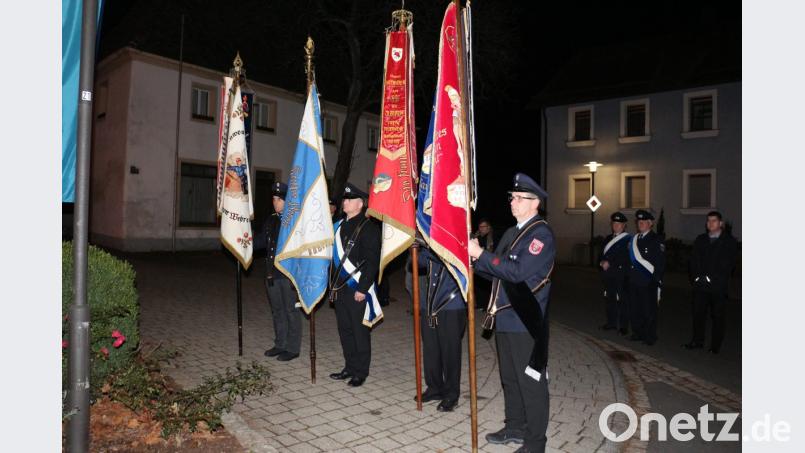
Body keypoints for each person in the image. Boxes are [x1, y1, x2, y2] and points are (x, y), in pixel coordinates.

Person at [469, 173, 555, 453]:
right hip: (504, 315)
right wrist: (474, 257)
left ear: (535, 204)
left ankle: (535, 444)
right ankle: (515, 427)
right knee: (510, 378)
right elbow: (494, 269)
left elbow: (516, 272)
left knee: (531, 382)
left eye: (520, 198)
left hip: (525, 319)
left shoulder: (541, 234)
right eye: (512, 197)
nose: (513, 202)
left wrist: (481, 255)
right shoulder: (511, 232)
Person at [328, 183, 381, 387]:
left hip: (356, 288)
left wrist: (362, 288)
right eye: (345, 199)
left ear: (360, 204)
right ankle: (349, 367)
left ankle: (360, 371)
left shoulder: (368, 228)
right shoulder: (339, 225)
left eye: (349, 199)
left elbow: (372, 261)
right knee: (345, 330)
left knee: (359, 332)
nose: (345, 202)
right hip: (340, 287)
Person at [412, 241, 466, 412]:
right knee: (431, 349)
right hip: (431, 303)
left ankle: (451, 394)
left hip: (451, 304)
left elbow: (448, 257)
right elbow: (415, 264)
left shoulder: (460, 236)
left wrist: (429, 247)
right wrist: (416, 248)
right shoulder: (432, 241)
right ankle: (435, 387)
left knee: (450, 352)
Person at [253, 182, 301, 361]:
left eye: (279, 199)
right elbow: (261, 242)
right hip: (271, 274)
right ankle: (280, 344)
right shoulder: (271, 219)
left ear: (287, 201)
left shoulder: (295, 222)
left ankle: (293, 348)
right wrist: (243, 242)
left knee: (291, 311)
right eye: (274, 199)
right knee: (277, 310)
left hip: (288, 275)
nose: (275, 202)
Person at [684, 211, 738, 354]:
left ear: (721, 224)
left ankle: (715, 347)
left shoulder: (729, 242)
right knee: (698, 314)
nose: (710, 223)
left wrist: (710, 277)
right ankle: (697, 341)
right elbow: (693, 261)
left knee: (718, 317)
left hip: (717, 287)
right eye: (708, 221)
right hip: (700, 286)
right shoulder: (701, 239)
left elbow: (728, 265)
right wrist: (695, 278)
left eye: (714, 221)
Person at [627, 209, 665, 346]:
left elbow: (660, 263)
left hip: (648, 281)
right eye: (639, 222)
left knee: (648, 310)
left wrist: (655, 280)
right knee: (635, 309)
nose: (640, 224)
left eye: (643, 222)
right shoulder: (634, 239)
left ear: (650, 224)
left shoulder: (656, 240)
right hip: (634, 281)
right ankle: (638, 333)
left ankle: (650, 336)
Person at [599, 212, 631, 335]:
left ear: (624, 225)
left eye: (619, 224)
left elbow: (626, 258)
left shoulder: (628, 240)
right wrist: (601, 262)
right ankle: (611, 323)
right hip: (609, 276)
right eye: (614, 223)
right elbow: (601, 254)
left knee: (623, 301)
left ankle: (623, 326)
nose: (616, 226)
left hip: (621, 275)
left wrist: (610, 263)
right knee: (610, 300)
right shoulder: (608, 239)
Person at [473, 218, 499, 310]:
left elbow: (497, 251)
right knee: (478, 285)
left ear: (488, 227)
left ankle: (487, 305)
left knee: (488, 285)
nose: (481, 228)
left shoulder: (494, 236)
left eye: (483, 226)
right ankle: (480, 304)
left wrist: (484, 252)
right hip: (478, 264)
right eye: (480, 227)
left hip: (489, 263)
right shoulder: (476, 236)